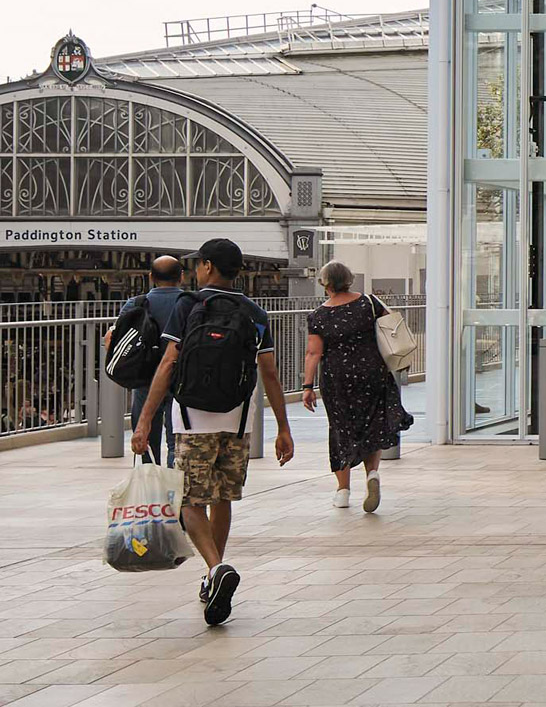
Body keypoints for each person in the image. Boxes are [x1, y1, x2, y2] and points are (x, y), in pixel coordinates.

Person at [132, 237, 294, 626]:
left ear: (207, 267)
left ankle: (216, 567)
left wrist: (144, 420)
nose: (193, 270)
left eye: (197, 264)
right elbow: (269, 373)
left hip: (191, 419)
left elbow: (169, 363)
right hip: (237, 420)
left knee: (187, 500)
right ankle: (212, 576)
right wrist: (283, 429)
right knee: (222, 497)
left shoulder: (188, 307)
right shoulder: (254, 311)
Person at [299, 260, 409, 512]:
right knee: (372, 424)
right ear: (349, 279)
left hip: (337, 379)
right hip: (372, 372)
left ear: (325, 285)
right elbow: (393, 328)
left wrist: (307, 386)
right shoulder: (369, 303)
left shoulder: (318, 316)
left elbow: (313, 353)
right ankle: (372, 474)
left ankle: (343, 491)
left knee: (340, 430)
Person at [116, 254, 189, 463]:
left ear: (151, 277)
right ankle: (175, 485)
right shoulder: (190, 303)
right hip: (181, 379)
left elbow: (115, 338)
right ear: (181, 277)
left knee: (146, 441)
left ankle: (152, 487)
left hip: (145, 379)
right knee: (177, 441)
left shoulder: (136, 304)